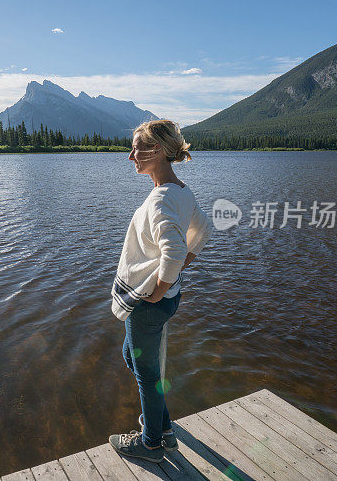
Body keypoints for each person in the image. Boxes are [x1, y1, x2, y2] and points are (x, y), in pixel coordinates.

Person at [108, 119, 213, 463]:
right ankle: (164, 426)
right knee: (133, 360)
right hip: (166, 300)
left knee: (147, 375)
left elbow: (174, 251)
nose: (131, 156)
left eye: (137, 148)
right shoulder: (182, 191)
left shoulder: (159, 200)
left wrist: (158, 287)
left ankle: (151, 443)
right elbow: (204, 228)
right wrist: (176, 274)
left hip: (150, 304)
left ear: (158, 151)